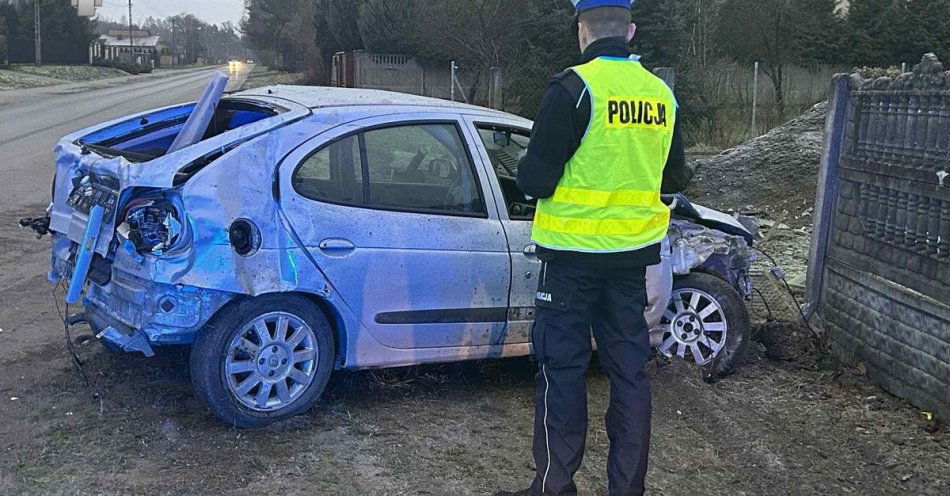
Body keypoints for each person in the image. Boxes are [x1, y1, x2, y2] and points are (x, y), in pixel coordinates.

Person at [495, 1, 691, 495]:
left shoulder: (573, 88)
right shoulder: (661, 96)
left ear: (582, 31)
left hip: (570, 262)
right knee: (629, 375)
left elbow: (536, 179)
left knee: (562, 371)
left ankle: (554, 488)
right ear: (629, 30)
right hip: (630, 264)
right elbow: (674, 178)